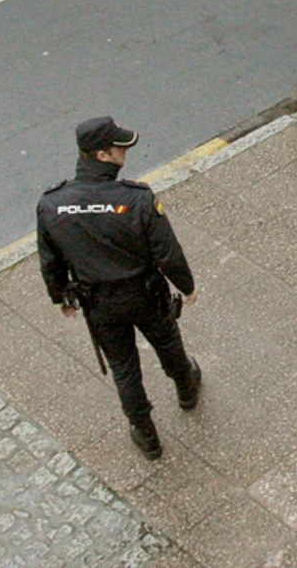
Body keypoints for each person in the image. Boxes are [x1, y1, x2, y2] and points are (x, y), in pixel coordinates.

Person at [37, 116, 202, 461]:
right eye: (118, 146)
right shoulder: (137, 199)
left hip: (99, 302)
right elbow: (166, 250)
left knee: (124, 367)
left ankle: (146, 433)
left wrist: (61, 296)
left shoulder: (52, 204)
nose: (125, 149)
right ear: (101, 155)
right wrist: (186, 285)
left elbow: (50, 258)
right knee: (167, 341)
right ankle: (186, 387)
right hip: (145, 293)